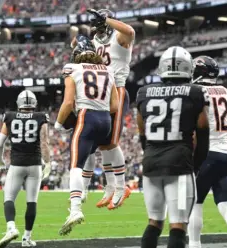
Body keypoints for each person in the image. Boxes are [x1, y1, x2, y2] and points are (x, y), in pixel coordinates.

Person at [136, 46, 210, 248]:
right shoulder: (195, 92)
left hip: (151, 164)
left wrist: (151, 154)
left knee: (154, 222)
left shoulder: (143, 92)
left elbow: (142, 133)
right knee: (178, 226)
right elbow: (203, 134)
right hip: (179, 165)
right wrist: (195, 165)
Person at [55, 35, 119, 235]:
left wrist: (58, 123)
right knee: (90, 153)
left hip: (87, 117)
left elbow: (67, 103)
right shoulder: (108, 70)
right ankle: (82, 190)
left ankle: (75, 209)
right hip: (106, 121)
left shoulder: (72, 68)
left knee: (75, 164)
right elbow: (115, 105)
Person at [188, 56, 227, 248]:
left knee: (195, 204)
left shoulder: (194, 91)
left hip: (206, 154)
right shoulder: (225, 92)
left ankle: (194, 244)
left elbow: (195, 130)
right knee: (224, 203)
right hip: (226, 153)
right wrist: (220, 143)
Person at [76, 8, 135, 210]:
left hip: (117, 90)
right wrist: (79, 41)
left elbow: (130, 32)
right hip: (102, 91)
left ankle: (121, 187)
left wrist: (108, 20)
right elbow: (76, 46)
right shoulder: (95, 40)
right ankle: (110, 187)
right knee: (102, 144)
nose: (98, 29)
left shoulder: (119, 36)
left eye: (100, 25)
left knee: (111, 143)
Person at [0, 90, 51, 248]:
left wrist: (0, 161)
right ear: (34, 103)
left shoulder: (10, 117)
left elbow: (0, 145)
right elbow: (44, 142)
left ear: (19, 103)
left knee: (9, 198)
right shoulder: (41, 117)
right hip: (35, 165)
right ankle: (27, 239)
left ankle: (11, 228)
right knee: (32, 202)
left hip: (17, 164)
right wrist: (47, 163)